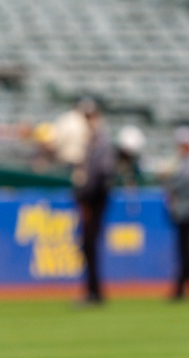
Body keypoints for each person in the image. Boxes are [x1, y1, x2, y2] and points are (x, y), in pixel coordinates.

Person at [71, 107, 117, 305]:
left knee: (89, 244)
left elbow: (101, 176)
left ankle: (94, 292)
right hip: (92, 199)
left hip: (96, 200)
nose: (88, 121)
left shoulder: (102, 143)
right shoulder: (93, 141)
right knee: (88, 245)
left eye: (90, 117)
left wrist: (86, 197)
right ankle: (92, 290)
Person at [162, 125, 189, 301]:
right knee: (185, 252)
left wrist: (169, 181)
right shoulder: (186, 163)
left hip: (187, 212)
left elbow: (181, 184)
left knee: (185, 252)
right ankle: (188, 289)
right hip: (185, 212)